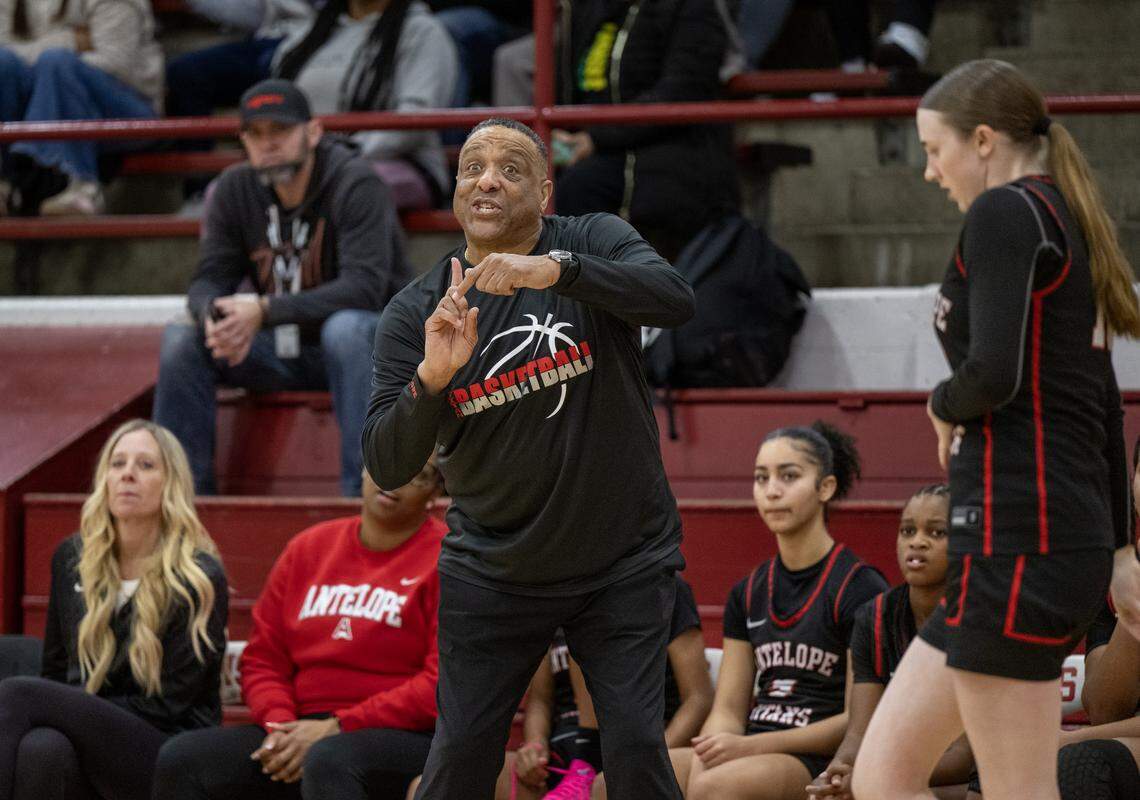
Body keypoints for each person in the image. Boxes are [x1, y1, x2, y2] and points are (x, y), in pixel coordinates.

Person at [364, 116, 695, 799]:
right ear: (456, 191)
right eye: (472, 167)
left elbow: (675, 298)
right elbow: (389, 463)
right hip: (495, 566)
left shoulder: (591, 239)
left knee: (635, 745)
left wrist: (557, 271)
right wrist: (431, 380)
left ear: (544, 192)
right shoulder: (415, 311)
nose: (488, 178)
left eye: (510, 169)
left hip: (621, 558)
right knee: (459, 756)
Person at [851, 59, 1140, 800]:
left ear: (982, 140)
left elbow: (993, 373)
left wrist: (943, 401)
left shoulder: (1007, 212)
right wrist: (1116, 549)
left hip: (1026, 542)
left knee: (1017, 792)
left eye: (932, 148)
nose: (928, 171)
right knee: (883, 776)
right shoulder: (1062, 218)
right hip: (1029, 545)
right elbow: (1102, 399)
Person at [153, 79, 411, 497]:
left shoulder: (356, 183)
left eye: (280, 131)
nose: (267, 144)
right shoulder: (234, 190)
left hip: (363, 355)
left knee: (346, 328)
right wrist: (216, 318)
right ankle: (181, 504)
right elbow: (208, 278)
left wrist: (264, 310)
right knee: (182, 337)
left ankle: (364, 498)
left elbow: (363, 289)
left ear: (313, 132)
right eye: (255, 135)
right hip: (278, 350)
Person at [153, 460, 446, 800]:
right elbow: (263, 658)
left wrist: (338, 726)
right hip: (298, 723)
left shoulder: (447, 557)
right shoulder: (308, 548)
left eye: (416, 474)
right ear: (364, 472)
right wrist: (280, 728)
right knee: (184, 758)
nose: (394, 478)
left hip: (403, 734)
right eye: (384, 464)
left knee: (329, 759)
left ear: (434, 494)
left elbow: (440, 683)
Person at [0, 419, 227, 800]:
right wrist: (75, 715)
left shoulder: (198, 576)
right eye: (117, 464)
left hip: (165, 748)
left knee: (17, 695)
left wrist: (76, 713)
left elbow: (170, 706)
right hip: (92, 733)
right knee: (44, 749)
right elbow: (56, 672)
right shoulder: (73, 559)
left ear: (170, 484)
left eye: (145, 465)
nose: (128, 475)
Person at [668, 422, 888, 800]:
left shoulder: (860, 587)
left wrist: (748, 749)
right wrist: (716, 744)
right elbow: (729, 709)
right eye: (761, 477)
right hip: (753, 745)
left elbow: (858, 720)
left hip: (818, 756)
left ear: (826, 488)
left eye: (789, 476)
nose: (771, 491)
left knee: (715, 787)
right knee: (617, 782)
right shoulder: (748, 591)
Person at [402, 575, 712, 800]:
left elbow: (698, 698)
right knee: (427, 787)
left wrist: (648, 761)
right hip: (562, 758)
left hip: (629, 749)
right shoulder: (545, 593)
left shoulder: (662, 587)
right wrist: (535, 746)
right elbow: (540, 701)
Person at [806, 484, 973, 800]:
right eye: (907, 531)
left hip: (977, 775)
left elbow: (964, 755)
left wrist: (872, 773)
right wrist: (838, 770)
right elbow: (858, 733)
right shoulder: (876, 617)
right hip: (898, 768)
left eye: (936, 533)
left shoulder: (977, 619)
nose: (917, 542)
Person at [551, 0, 738, 263]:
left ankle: (586, 295)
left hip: (664, 149)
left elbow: (681, 92)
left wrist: (595, 138)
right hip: (599, 143)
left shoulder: (692, 8)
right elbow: (571, 89)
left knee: (579, 187)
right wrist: (566, 135)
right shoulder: (594, 9)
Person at [272, 0, 457, 210]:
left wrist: (335, 157)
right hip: (308, 164)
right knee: (245, 184)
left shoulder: (423, 31)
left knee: (349, 185)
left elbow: (415, 121)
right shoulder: (305, 35)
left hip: (403, 164)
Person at [0, 0, 162, 215]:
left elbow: (117, 64)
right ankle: (6, 184)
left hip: (129, 105)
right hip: (44, 98)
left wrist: (52, 64)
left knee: (57, 65)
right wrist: (71, 40)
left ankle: (81, 187)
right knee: (5, 65)